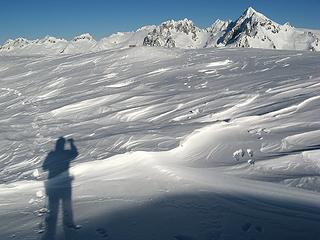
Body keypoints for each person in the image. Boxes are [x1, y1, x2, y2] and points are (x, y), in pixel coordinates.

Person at [42, 137, 80, 240]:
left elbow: (44, 167)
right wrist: (72, 143)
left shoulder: (52, 154)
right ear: (63, 145)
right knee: (67, 206)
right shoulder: (67, 153)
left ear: (56, 145)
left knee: (53, 205)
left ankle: (51, 227)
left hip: (53, 185)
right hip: (65, 184)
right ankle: (69, 225)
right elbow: (75, 153)